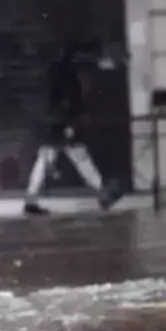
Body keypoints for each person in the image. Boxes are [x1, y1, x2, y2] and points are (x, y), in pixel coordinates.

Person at [23, 42, 123, 215]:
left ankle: (31, 198)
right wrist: (68, 123)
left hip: (55, 122)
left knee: (47, 159)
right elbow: (69, 100)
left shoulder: (59, 71)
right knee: (75, 157)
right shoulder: (70, 75)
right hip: (60, 123)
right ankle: (102, 192)